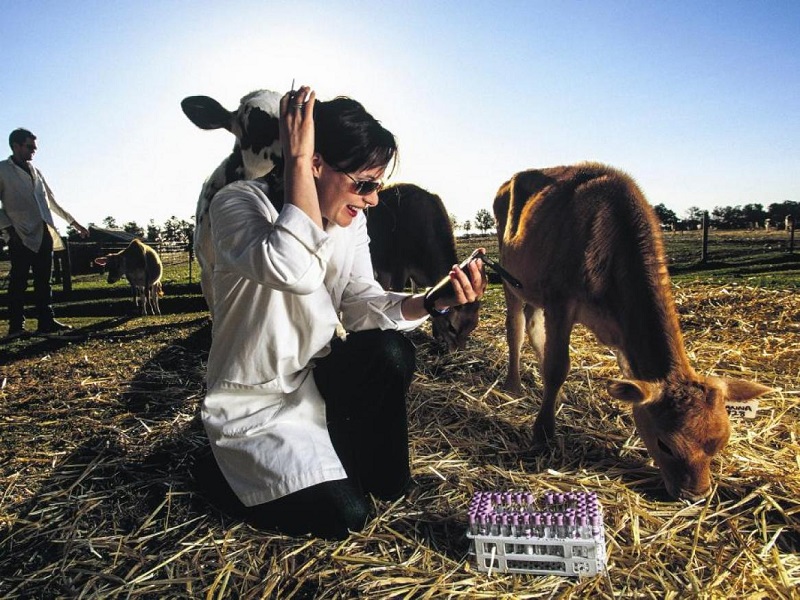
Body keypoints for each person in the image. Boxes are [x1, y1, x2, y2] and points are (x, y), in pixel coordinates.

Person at [199, 85, 488, 539]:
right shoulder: (237, 203)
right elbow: (293, 269)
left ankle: (369, 475)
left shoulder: (350, 225)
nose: (373, 199)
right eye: (364, 184)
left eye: (377, 185)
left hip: (314, 384)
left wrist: (432, 301)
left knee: (391, 354)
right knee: (347, 519)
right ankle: (218, 472)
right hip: (252, 404)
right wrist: (295, 161)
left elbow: (363, 305)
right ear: (314, 163)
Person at [0, 128, 89, 338]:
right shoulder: (3, 170)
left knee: (44, 280)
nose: (33, 152)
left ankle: (46, 321)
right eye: (29, 147)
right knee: (19, 281)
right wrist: (9, 231)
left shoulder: (36, 171)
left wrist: (74, 223)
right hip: (19, 234)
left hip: (43, 232)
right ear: (16, 146)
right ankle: (16, 327)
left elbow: (51, 201)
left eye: (34, 148)